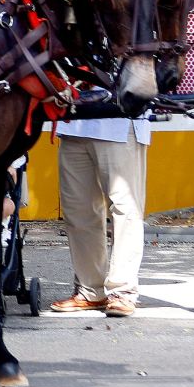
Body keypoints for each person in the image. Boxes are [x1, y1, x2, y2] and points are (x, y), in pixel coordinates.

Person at [50, 112, 151, 317]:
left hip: (120, 125)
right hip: (74, 125)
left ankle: (122, 292)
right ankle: (90, 291)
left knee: (125, 210)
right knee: (78, 211)